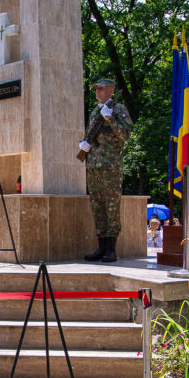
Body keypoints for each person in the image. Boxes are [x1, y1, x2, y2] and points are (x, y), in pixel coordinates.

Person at [80, 78, 133, 262]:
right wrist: (85, 144)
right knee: (98, 207)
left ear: (110, 90)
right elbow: (91, 134)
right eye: (96, 89)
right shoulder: (95, 110)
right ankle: (101, 247)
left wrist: (110, 119)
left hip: (110, 166)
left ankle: (111, 249)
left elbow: (126, 135)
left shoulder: (118, 110)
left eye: (100, 89)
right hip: (94, 165)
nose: (97, 92)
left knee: (111, 207)